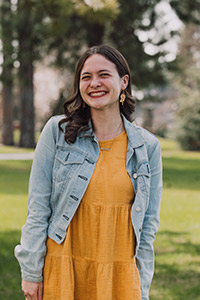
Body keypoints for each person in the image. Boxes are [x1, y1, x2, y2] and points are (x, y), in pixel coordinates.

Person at [15, 44, 162, 300]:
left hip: (120, 276)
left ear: (123, 81)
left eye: (104, 74)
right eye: (86, 77)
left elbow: (148, 227)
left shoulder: (147, 146)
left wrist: (142, 287)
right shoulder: (56, 132)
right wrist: (31, 272)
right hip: (63, 269)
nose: (94, 83)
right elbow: (38, 209)